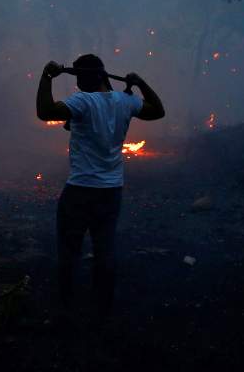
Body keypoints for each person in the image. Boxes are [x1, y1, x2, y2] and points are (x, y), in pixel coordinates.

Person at [36, 53, 165, 320]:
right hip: (111, 190)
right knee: (104, 249)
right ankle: (102, 309)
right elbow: (158, 110)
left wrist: (47, 77)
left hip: (80, 189)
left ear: (87, 79)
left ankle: (66, 306)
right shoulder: (125, 101)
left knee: (69, 250)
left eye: (79, 79)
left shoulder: (83, 101)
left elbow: (45, 112)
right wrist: (140, 83)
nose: (78, 85)